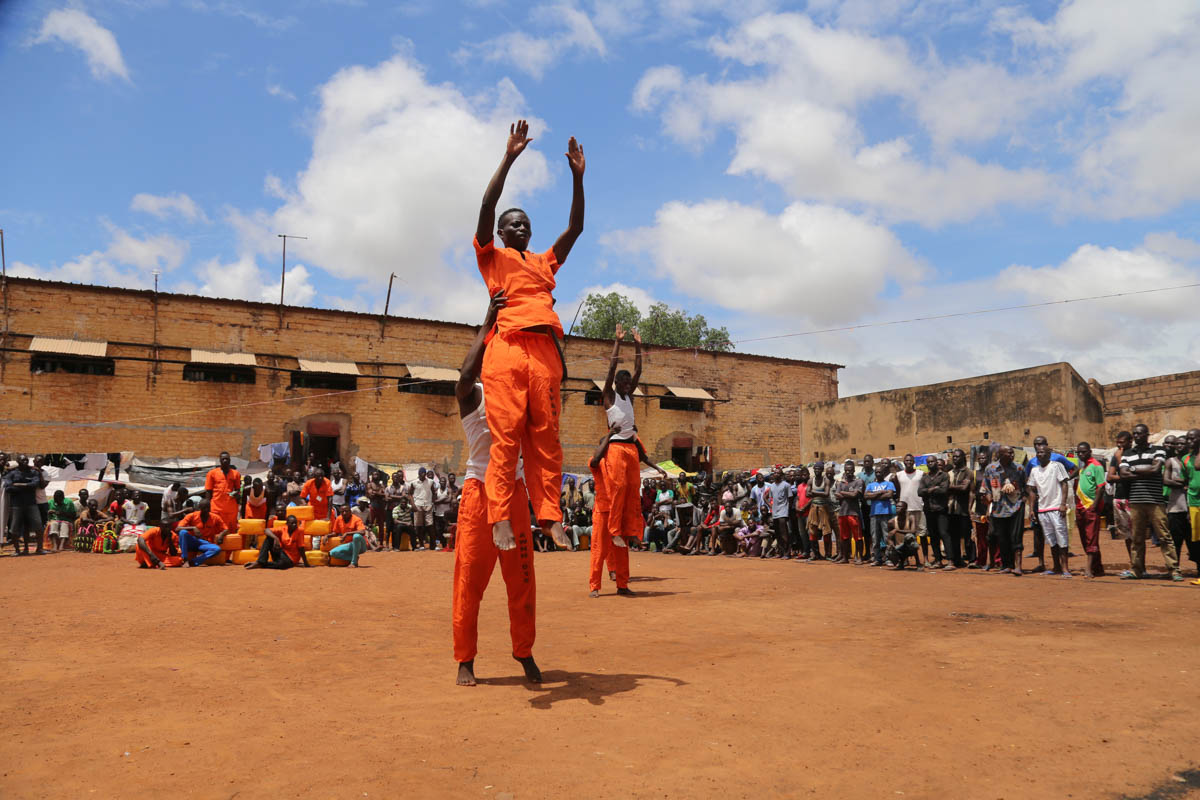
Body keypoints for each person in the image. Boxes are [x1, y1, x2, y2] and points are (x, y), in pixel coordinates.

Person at [474, 119, 584, 553]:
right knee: (506, 437)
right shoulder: (492, 257)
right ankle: (499, 515)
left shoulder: (544, 263)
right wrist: (509, 157)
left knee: (546, 439)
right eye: (512, 224)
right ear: (501, 233)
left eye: (525, 224)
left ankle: (550, 516)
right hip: (506, 350)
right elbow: (487, 205)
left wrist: (578, 179)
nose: (520, 228)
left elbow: (575, 229)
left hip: (544, 353)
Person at [452, 290, 542, 687]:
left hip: (516, 494)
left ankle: (523, 651)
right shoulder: (474, 396)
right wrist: (489, 323)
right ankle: (465, 660)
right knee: (470, 581)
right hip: (479, 495)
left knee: (522, 580)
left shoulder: (521, 398)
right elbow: (465, 375)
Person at [599, 323, 644, 555]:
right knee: (619, 487)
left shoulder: (628, 396)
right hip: (616, 447)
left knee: (633, 488)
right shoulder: (610, 395)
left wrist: (638, 345)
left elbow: (638, 372)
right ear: (617, 384)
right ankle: (614, 529)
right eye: (624, 383)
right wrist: (618, 341)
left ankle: (632, 530)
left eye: (630, 384)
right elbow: (611, 368)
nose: (628, 386)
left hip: (631, 447)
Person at [1119, 424, 1181, 581]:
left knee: (1164, 536)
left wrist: (1133, 471)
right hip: (1136, 501)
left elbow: (1155, 470)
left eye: (1139, 434)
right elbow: (1123, 474)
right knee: (1137, 538)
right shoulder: (1127, 453)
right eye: (1134, 434)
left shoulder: (1158, 450)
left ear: (1147, 434)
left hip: (1155, 500)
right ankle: (1136, 570)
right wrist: (1143, 472)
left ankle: (1173, 570)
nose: (1136, 436)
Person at [588, 427, 634, 596]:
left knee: (622, 550)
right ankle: (594, 586)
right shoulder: (597, 463)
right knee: (599, 549)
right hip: (603, 511)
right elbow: (594, 460)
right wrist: (609, 435)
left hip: (619, 512)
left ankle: (622, 585)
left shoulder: (619, 464)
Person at [1023, 436, 1079, 573]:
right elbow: (1030, 488)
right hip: (1042, 509)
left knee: (1062, 538)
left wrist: (1062, 503)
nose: (1039, 453)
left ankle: (1065, 568)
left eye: (1042, 451)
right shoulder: (1034, 468)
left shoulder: (1057, 464)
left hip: (1056, 507)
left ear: (1048, 453)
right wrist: (1031, 509)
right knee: (1051, 540)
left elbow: (1064, 484)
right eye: (1037, 450)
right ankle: (1056, 566)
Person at [983, 446, 1026, 575]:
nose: (1012, 455)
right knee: (1002, 538)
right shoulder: (990, 469)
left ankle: (1018, 566)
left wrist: (1023, 499)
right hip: (998, 508)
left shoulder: (1019, 468)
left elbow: (1026, 486)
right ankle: (1006, 565)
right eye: (1009, 453)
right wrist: (988, 496)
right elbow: (986, 487)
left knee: (1016, 537)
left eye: (1012, 452)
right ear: (1001, 454)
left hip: (1015, 507)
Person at [1163, 435, 1196, 576]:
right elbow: (1166, 481)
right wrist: (1184, 484)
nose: (1180, 446)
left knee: (1193, 540)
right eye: (1178, 444)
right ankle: (1174, 569)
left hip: (1192, 506)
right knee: (1175, 540)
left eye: (1183, 443)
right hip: (1175, 506)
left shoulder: (1192, 461)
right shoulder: (1171, 461)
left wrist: (1183, 482)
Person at [1074, 441, 1107, 578]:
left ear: (1089, 452)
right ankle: (1097, 568)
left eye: (1083, 452)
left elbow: (1101, 486)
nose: (1081, 454)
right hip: (1080, 506)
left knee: (1091, 537)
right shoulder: (1083, 467)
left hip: (1090, 507)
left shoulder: (1096, 466)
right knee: (1084, 537)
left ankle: (1088, 568)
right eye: (1079, 452)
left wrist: (1094, 505)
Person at [3, 456, 44, 555]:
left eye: (26, 460)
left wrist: (18, 485)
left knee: (38, 526)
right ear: (18, 461)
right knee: (14, 529)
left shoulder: (33, 472)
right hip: (16, 505)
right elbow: (8, 488)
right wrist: (27, 486)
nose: (25, 461)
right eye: (23, 460)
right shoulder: (12, 473)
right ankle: (17, 550)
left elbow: (35, 484)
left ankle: (39, 548)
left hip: (31, 504)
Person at [176, 499, 230, 567]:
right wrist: (193, 528)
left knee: (217, 549)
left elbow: (226, 529)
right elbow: (178, 528)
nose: (206, 509)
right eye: (204, 508)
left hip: (204, 543)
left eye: (208, 507)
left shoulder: (215, 517)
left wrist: (221, 535)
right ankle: (185, 559)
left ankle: (193, 561)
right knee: (183, 532)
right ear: (199, 508)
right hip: (192, 541)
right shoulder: (192, 516)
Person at [895, 454, 928, 563]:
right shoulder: (898, 475)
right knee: (907, 536)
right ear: (903, 462)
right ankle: (905, 559)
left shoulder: (920, 474)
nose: (908, 462)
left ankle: (926, 559)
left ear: (913, 462)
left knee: (922, 534)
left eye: (910, 460)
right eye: (906, 460)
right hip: (906, 510)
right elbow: (898, 490)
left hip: (919, 507)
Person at [919, 457, 949, 569]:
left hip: (941, 509)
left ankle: (950, 560)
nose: (930, 463)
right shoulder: (925, 477)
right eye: (928, 462)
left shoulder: (944, 475)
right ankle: (938, 560)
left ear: (937, 463)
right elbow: (919, 492)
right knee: (933, 536)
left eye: (932, 462)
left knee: (944, 533)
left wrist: (928, 490)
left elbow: (944, 490)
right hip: (929, 510)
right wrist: (932, 489)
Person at [945, 449, 973, 570]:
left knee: (967, 536)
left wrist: (950, 487)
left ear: (963, 458)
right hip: (951, 509)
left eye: (958, 457)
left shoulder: (968, 472)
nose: (955, 459)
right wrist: (955, 487)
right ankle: (957, 560)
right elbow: (945, 488)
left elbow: (965, 488)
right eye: (954, 457)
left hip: (963, 508)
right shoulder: (950, 472)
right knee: (953, 536)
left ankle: (972, 559)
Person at [864, 468, 896, 567]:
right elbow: (866, 496)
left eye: (880, 472)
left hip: (886, 513)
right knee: (875, 538)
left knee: (887, 537)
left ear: (883, 473)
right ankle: (877, 558)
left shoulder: (889, 484)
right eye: (876, 472)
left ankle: (889, 558)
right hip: (874, 514)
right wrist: (880, 493)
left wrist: (874, 496)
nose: (878, 474)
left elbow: (889, 495)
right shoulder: (870, 485)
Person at [204, 452, 241, 534]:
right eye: (223, 459)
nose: (225, 460)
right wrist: (207, 505)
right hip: (216, 506)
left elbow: (238, 490)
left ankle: (230, 546)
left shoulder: (236, 474)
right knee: (216, 528)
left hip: (230, 507)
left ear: (230, 460)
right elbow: (208, 491)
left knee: (231, 529)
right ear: (219, 460)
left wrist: (236, 494)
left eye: (227, 459)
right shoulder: (212, 473)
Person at [1181, 429, 1200, 584]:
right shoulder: (1186, 459)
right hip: (1193, 503)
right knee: (1197, 541)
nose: (1189, 441)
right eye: (1187, 439)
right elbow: (1186, 482)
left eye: (1192, 438)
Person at [764, 469, 795, 559]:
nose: (776, 474)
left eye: (778, 473)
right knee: (777, 533)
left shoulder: (786, 485)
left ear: (781, 475)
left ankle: (787, 552)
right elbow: (769, 498)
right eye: (775, 473)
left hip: (783, 511)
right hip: (775, 512)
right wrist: (770, 505)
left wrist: (787, 510)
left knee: (784, 533)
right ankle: (781, 552)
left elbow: (790, 498)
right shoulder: (772, 486)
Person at [806, 462, 833, 560]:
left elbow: (826, 494)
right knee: (812, 531)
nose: (817, 471)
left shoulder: (826, 481)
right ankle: (815, 554)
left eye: (819, 469)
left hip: (823, 507)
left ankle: (828, 554)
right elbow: (807, 494)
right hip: (813, 507)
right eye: (815, 469)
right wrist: (818, 493)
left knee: (826, 531)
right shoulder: (810, 480)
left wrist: (813, 492)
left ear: (822, 470)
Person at [408, 467, 437, 552]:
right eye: (422, 473)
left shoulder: (430, 482)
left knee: (430, 525)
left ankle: (433, 545)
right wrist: (413, 504)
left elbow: (434, 492)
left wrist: (432, 502)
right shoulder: (414, 483)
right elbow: (409, 494)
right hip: (418, 505)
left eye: (424, 473)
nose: (423, 475)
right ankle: (421, 544)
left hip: (428, 505)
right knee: (418, 526)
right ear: (419, 474)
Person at [886, 502, 921, 570]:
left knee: (909, 536)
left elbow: (913, 531)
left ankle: (918, 563)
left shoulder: (911, 518)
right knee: (889, 551)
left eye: (899, 507)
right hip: (899, 546)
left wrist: (897, 530)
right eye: (896, 507)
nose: (897, 509)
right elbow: (889, 537)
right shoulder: (891, 522)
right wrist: (891, 544)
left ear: (905, 509)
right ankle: (901, 563)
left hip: (909, 544)